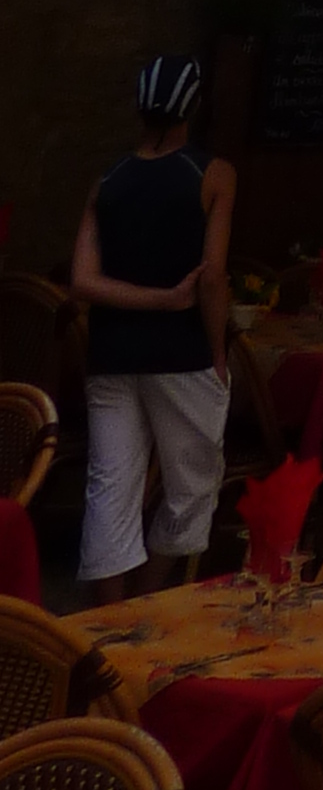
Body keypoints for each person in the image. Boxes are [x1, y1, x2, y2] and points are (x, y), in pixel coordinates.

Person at [70, 55, 234, 602]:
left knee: (110, 485)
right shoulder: (213, 176)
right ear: (192, 108)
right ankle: (147, 597)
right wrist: (214, 347)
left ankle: (106, 617)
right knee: (193, 486)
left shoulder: (106, 182)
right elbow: (213, 277)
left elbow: (83, 281)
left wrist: (153, 302)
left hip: (113, 355)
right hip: (182, 357)